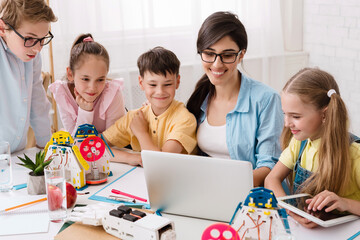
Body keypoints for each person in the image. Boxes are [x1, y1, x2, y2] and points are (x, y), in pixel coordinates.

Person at [186, 11, 283, 187]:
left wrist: (227, 185)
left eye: (227, 55)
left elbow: (270, 165)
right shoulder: (200, 97)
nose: (217, 64)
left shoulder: (266, 99)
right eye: (209, 53)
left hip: (251, 195)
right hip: (208, 189)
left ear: (241, 55)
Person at [264, 68, 360, 228]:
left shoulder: (354, 154)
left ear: (325, 114)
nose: (287, 123)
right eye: (285, 114)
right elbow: (271, 179)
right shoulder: (299, 143)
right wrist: (290, 210)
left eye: (296, 116)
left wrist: (345, 203)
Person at [103, 46, 197, 166]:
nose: (160, 91)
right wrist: (131, 158)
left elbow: (159, 163)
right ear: (141, 83)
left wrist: (141, 133)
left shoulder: (185, 119)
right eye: (152, 84)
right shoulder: (134, 117)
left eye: (167, 84)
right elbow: (94, 148)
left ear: (177, 82)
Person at [0, 0, 57, 153]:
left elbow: (37, 99)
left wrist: (45, 144)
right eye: (29, 38)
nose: (38, 48)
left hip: (16, 151)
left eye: (42, 39)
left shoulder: (32, 56)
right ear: (2, 28)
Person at [49, 33, 126, 136]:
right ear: (70, 74)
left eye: (100, 80)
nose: (92, 88)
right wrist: (85, 111)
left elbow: (114, 139)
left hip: (112, 150)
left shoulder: (113, 94)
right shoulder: (62, 93)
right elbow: (75, 141)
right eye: (85, 79)